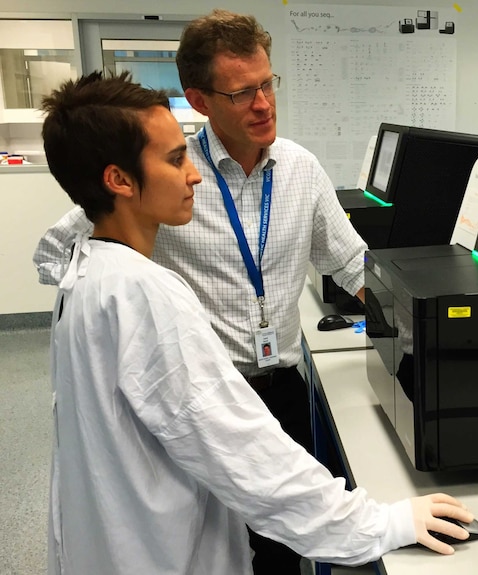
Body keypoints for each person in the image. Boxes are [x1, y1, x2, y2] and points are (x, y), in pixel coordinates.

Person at [41, 70, 473, 575]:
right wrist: (381, 524)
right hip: (162, 552)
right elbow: (247, 458)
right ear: (118, 180)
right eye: (176, 159)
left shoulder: (91, 274)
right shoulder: (144, 296)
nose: (195, 174)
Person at [33, 10, 369, 574]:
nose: (263, 104)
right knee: (209, 541)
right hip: (196, 396)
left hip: (279, 387)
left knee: (281, 550)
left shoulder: (301, 170)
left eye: (267, 84)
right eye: (242, 93)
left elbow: (354, 265)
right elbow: (65, 247)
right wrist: (127, 295)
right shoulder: (165, 172)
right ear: (202, 100)